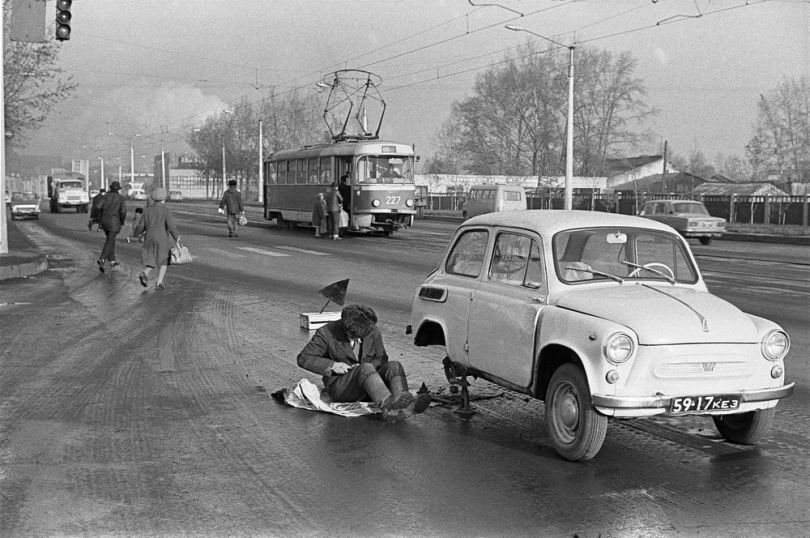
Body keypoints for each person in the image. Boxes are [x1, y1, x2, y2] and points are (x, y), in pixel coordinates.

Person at [297, 304, 430, 422]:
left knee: (394, 365)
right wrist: (333, 365)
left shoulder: (372, 329)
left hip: (372, 384)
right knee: (365, 368)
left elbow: (382, 358)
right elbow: (303, 358)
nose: (363, 338)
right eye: (358, 337)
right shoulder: (325, 333)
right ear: (347, 329)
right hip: (342, 387)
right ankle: (388, 408)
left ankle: (403, 405)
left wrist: (370, 369)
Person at [133, 187, 179, 290]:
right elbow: (171, 227)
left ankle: (144, 273)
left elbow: (141, 226)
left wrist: (136, 234)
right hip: (162, 238)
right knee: (164, 260)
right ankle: (159, 283)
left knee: (151, 259)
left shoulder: (147, 210)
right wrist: (177, 238)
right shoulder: (166, 210)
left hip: (149, 237)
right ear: (164, 198)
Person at [97, 181, 127, 272]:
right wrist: (122, 220)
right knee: (110, 240)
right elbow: (123, 211)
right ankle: (102, 258)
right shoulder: (121, 198)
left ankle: (112, 260)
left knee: (110, 239)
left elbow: (98, 207)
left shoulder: (105, 196)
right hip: (115, 221)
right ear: (118, 189)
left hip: (105, 221)